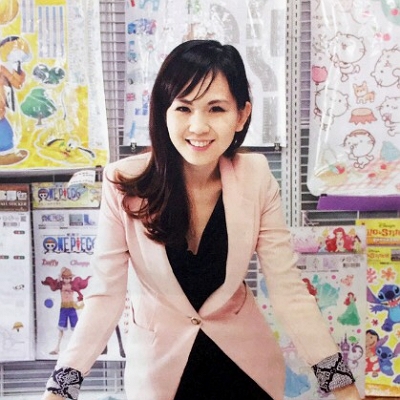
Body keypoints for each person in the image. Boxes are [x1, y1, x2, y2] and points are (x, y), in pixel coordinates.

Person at [42, 40, 362, 400]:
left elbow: (288, 288)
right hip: (161, 375)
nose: (198, 126)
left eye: (216, 108)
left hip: (246, 370)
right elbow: (105, 296)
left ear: (241, 115)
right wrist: (61, 388)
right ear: (163, 111)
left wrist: (340, 383)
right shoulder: (123, 183)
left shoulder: (256, 176)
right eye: (183, 108)